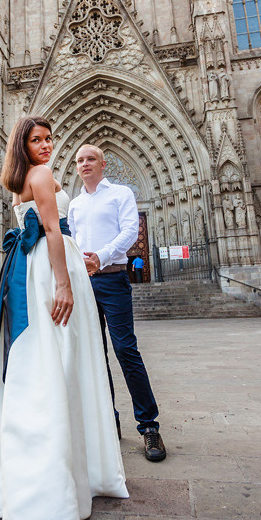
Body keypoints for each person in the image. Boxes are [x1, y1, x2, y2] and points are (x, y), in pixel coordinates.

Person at [0, 116, 128, 520]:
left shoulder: (22, 179)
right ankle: (56, 480)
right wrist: (64, 283)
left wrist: (83, 261)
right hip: (50, 270)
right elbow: (51, 230)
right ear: (21, 145)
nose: (46, 145)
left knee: (43, 360)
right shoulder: (41, 175)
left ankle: (39, 469)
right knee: (62, 361)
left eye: (48, 138)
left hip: (35, 269)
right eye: (36, 140)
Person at [69, 144, 167, 462]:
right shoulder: (75, 204)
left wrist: (101, 256)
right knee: (96, 355)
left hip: (113, 280)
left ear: (103, 163)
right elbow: (72, 242)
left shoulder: (121, 193)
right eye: (80, 160)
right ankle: (108, 423)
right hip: (84, 284)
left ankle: (149, 426)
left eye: (91, 159)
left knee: (125, 350)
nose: (85, 164)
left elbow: (130, 231)